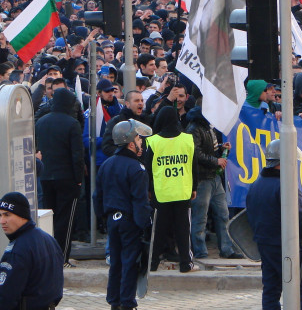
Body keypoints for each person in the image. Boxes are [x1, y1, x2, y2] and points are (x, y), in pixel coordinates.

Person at [246, 139, 302, 310]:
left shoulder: (256, 184)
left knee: (271, 290)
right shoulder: (286, 185)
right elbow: (300, 215)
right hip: (286, 245)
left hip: (265, 244)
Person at [93, 120, 153, 310]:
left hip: (112, 220)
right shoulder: (137, 168)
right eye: (138, 139)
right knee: (129, 263)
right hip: (129, 222)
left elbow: (97, 196)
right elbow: (140, 201)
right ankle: (127, 303)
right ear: (130, 143)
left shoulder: (107, 164)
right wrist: (145, 225)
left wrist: (104, 218)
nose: (141, 143)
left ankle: (114, 301)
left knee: (115, 262)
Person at [0, 192, 64, 310]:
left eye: (7, 215)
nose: (2, 221)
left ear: (22, 215)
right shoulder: (48, 239)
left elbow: (4, 296)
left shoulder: (18, 250)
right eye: (0, 215)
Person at [145, 105, 197, 273]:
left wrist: (149, 190)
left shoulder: (153, 141)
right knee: (183, 230)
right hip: (183, 191)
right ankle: (185, 263)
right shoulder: (188, 139)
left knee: (158, 231)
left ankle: (152, 263)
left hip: (161, 192)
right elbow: (193, 166)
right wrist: (194, 187)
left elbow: (148, 170)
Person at [186, 106, 242, 260]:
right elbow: (195, 153)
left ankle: (225, 249)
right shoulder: (195, 129)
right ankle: (201, 251)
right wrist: (216, 159)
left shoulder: (205, 128)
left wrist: (220, 152)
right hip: (203, 178)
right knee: (201, 217)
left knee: (222, 214)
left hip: (212, 177)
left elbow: (203, 151)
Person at [35, 87, 84, 264]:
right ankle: (62, 256)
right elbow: (77, 155)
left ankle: (49, 256)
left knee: (49, 218)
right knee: (66, 219)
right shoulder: (72, 123)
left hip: (46, 177)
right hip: (67, 178)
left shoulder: (41, 122)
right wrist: (78, 179)